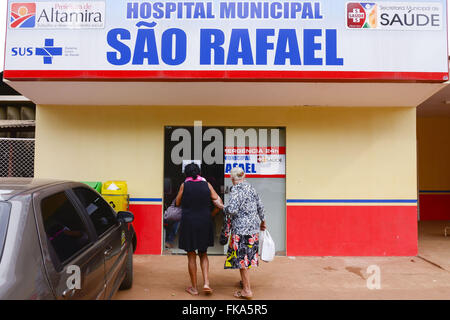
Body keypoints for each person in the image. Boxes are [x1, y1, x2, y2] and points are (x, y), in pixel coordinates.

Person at [217, 166, 266, 300]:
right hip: (253, 229)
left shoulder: (236, 190)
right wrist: (263, 221)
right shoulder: (251, 188)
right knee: (247, 258)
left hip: (241, 230)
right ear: (243, 177)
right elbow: (260, 206)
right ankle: (245, 283)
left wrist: (221, 206)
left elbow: (232, 210)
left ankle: (247, 290)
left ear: (232, 178)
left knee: (242, 260)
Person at [175, 163, 223, 296]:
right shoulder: (207, 184)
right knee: (203, 253)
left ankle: (194, 288)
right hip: (204, 222)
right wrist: (211, 215)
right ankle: (206, 283)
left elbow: (177, 202)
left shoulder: (184, 185)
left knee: (191, 254)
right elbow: (218, 203)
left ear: (186, 173)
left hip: (189, 223)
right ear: (199, 172)